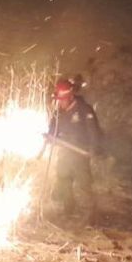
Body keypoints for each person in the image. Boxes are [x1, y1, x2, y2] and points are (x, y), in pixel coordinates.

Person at [47, 77, 103, 224]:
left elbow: (94, 132)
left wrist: (94, 149)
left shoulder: (84, 110)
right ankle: (68, 210)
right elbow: (53, 128)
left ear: (71, 96)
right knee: (63, 179)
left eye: (63, 99)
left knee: (83, 184)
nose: (61, 102)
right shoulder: (58, 111)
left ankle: (90, 216)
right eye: (59, 99)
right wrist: (50, 136)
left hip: (80, 153)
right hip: (65, 152)